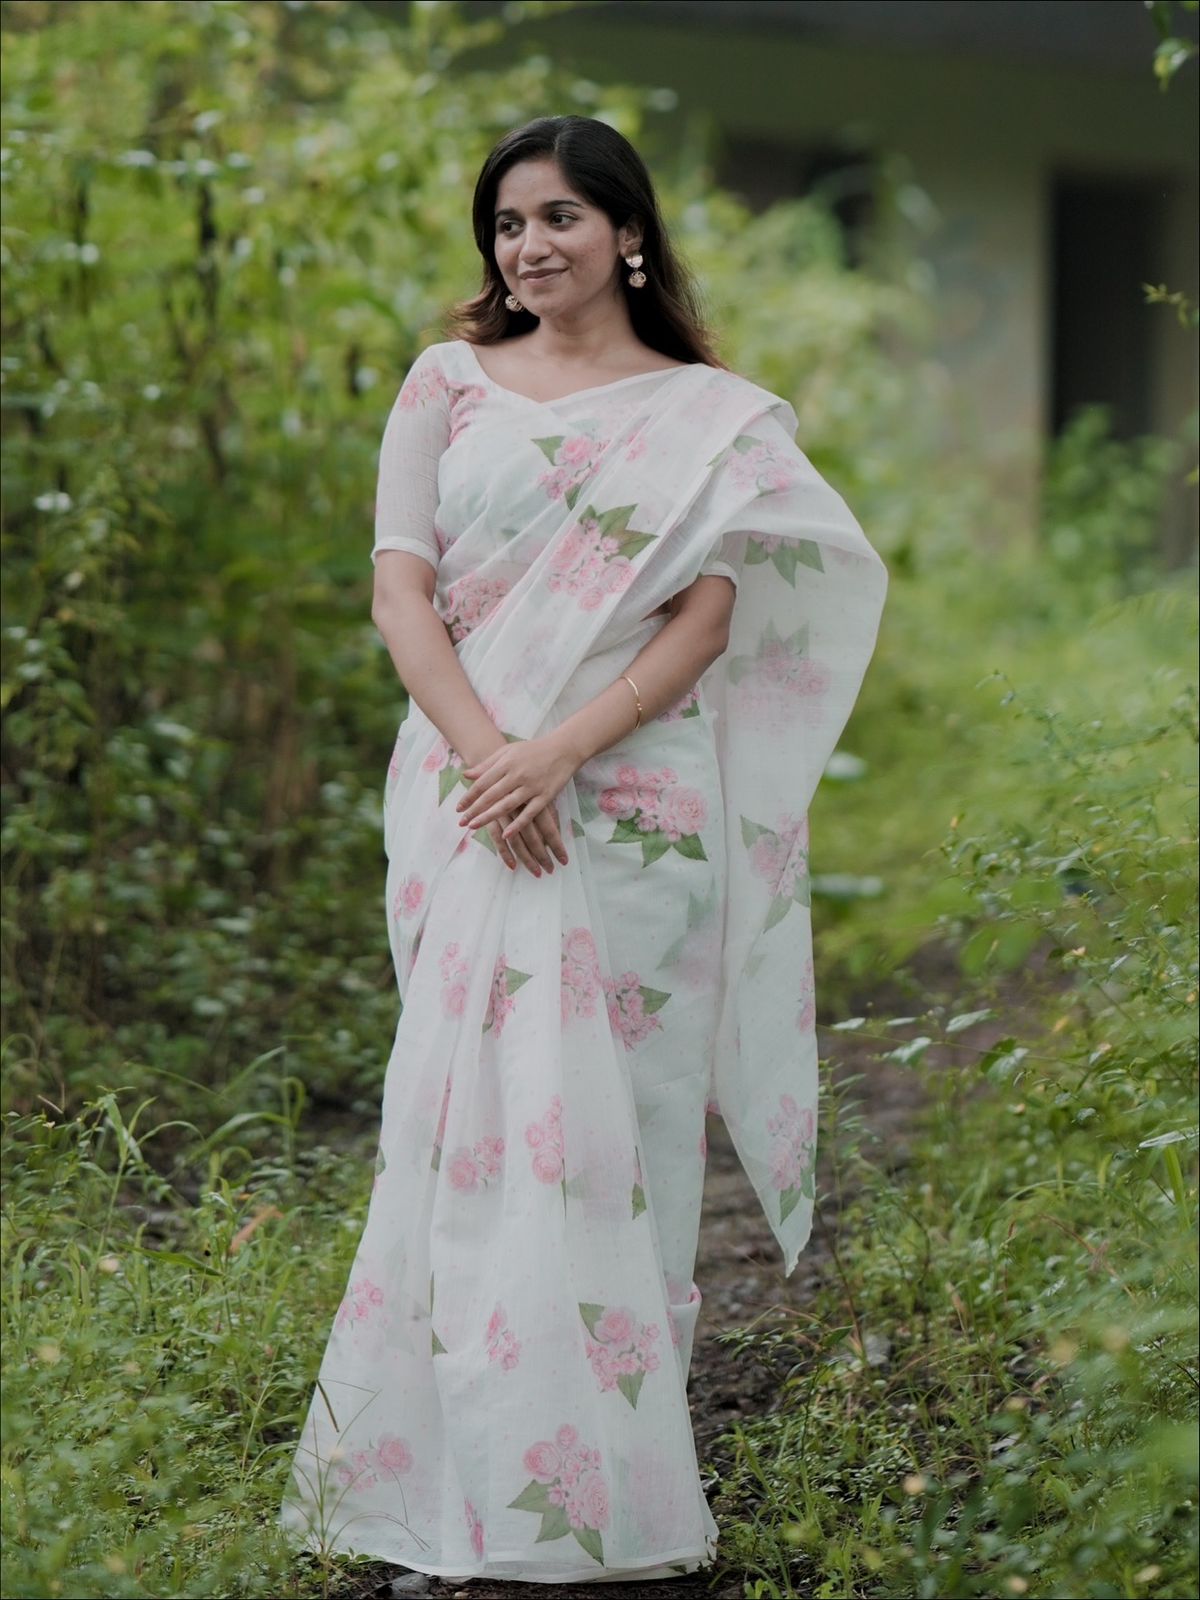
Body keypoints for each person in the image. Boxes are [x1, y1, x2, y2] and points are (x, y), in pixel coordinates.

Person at [279, 114, 888, 1584]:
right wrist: (498, 757)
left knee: (615, 1132)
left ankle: (604, 1472)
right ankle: (447, 1479)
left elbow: (710, 616)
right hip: (468, 795)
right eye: (506, 223)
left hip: (635, 808)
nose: (529, 246)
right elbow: (401, 595)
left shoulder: (712, 414)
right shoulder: (447, 386)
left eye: (559, 217)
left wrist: (564, 750)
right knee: (471, 1125)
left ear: (627, 231)